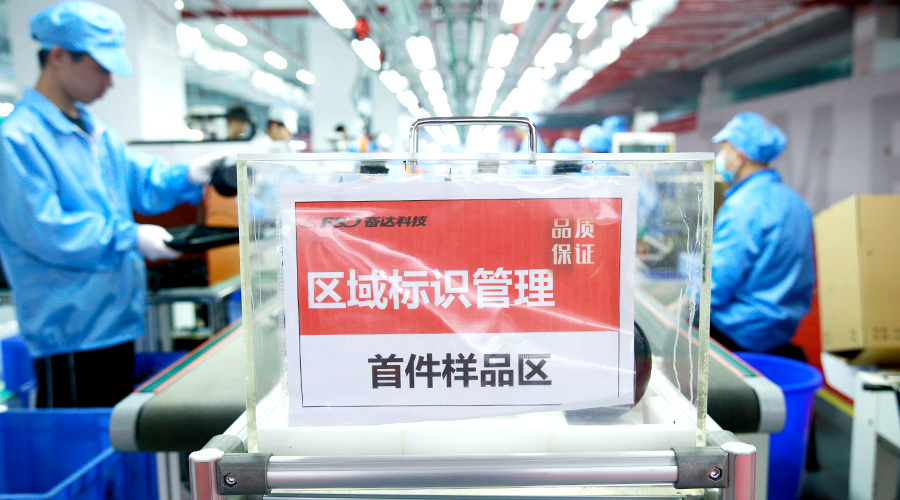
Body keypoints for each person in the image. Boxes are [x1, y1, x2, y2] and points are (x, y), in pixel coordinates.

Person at [0, 1, 228, 407]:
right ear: (58, 56)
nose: (110, 81)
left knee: (112, 434)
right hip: (69, 330)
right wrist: (130, 237)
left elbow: (142, 182)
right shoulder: (17, 140)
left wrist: (189, 174)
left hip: (115, 318)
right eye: (101, 68)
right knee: (79, 437)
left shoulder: (97, 134)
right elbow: (45, 230)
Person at [709, 111, 815, 358]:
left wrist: (685, 306)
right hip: (782, 331)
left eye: (724, 150)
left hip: (738, 331)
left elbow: (719, 282)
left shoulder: (743, 205)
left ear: (739, 157)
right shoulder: (795, 201)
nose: (721, 158)